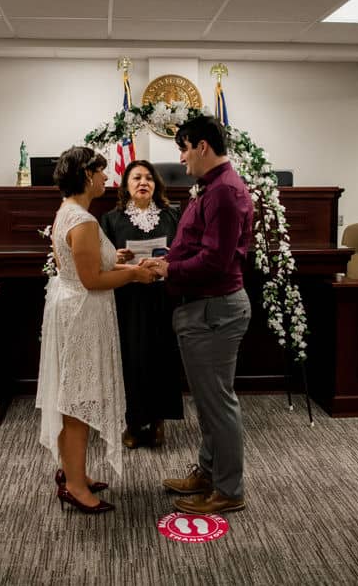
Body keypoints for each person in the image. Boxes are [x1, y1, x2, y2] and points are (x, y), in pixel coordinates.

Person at [36, 146, 159, 514]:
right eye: (103, 171)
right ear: (87, 175)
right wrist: (135, 275)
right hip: (82, 317)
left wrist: (114, 258)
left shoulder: (68, 212)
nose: (108, 177)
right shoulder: (85, 220)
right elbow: (91, 279)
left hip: (71, 310)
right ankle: (75, 486)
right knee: (78, 401)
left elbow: (80, 264)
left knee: (73, 396)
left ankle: (74, 471)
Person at [146, 116, 253, 515]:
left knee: (218, 405)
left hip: (213, 308)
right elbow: (191, 244)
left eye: (184, 148)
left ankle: (228, 490)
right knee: (210, 403)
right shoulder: (211, 187)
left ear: (203, 146)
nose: (181, 157)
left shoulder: (224, 191)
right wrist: (160, 259)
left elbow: (215, 262)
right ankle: (209, 473)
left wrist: (169, 270)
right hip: (204, 308)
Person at [99, 160, 184, 450]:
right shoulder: (111, 219)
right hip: (128, 298)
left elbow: (184, 253)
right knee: (131, 359)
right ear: (126, 185)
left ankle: (159, 422)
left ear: (156, 185)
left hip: (163, 298)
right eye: (136, 178)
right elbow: (101, 262)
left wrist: (169, 260)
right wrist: (116, 258)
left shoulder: (173, 216)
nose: (143, 182)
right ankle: (133, 423)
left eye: (149, 178)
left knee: (162, 356)